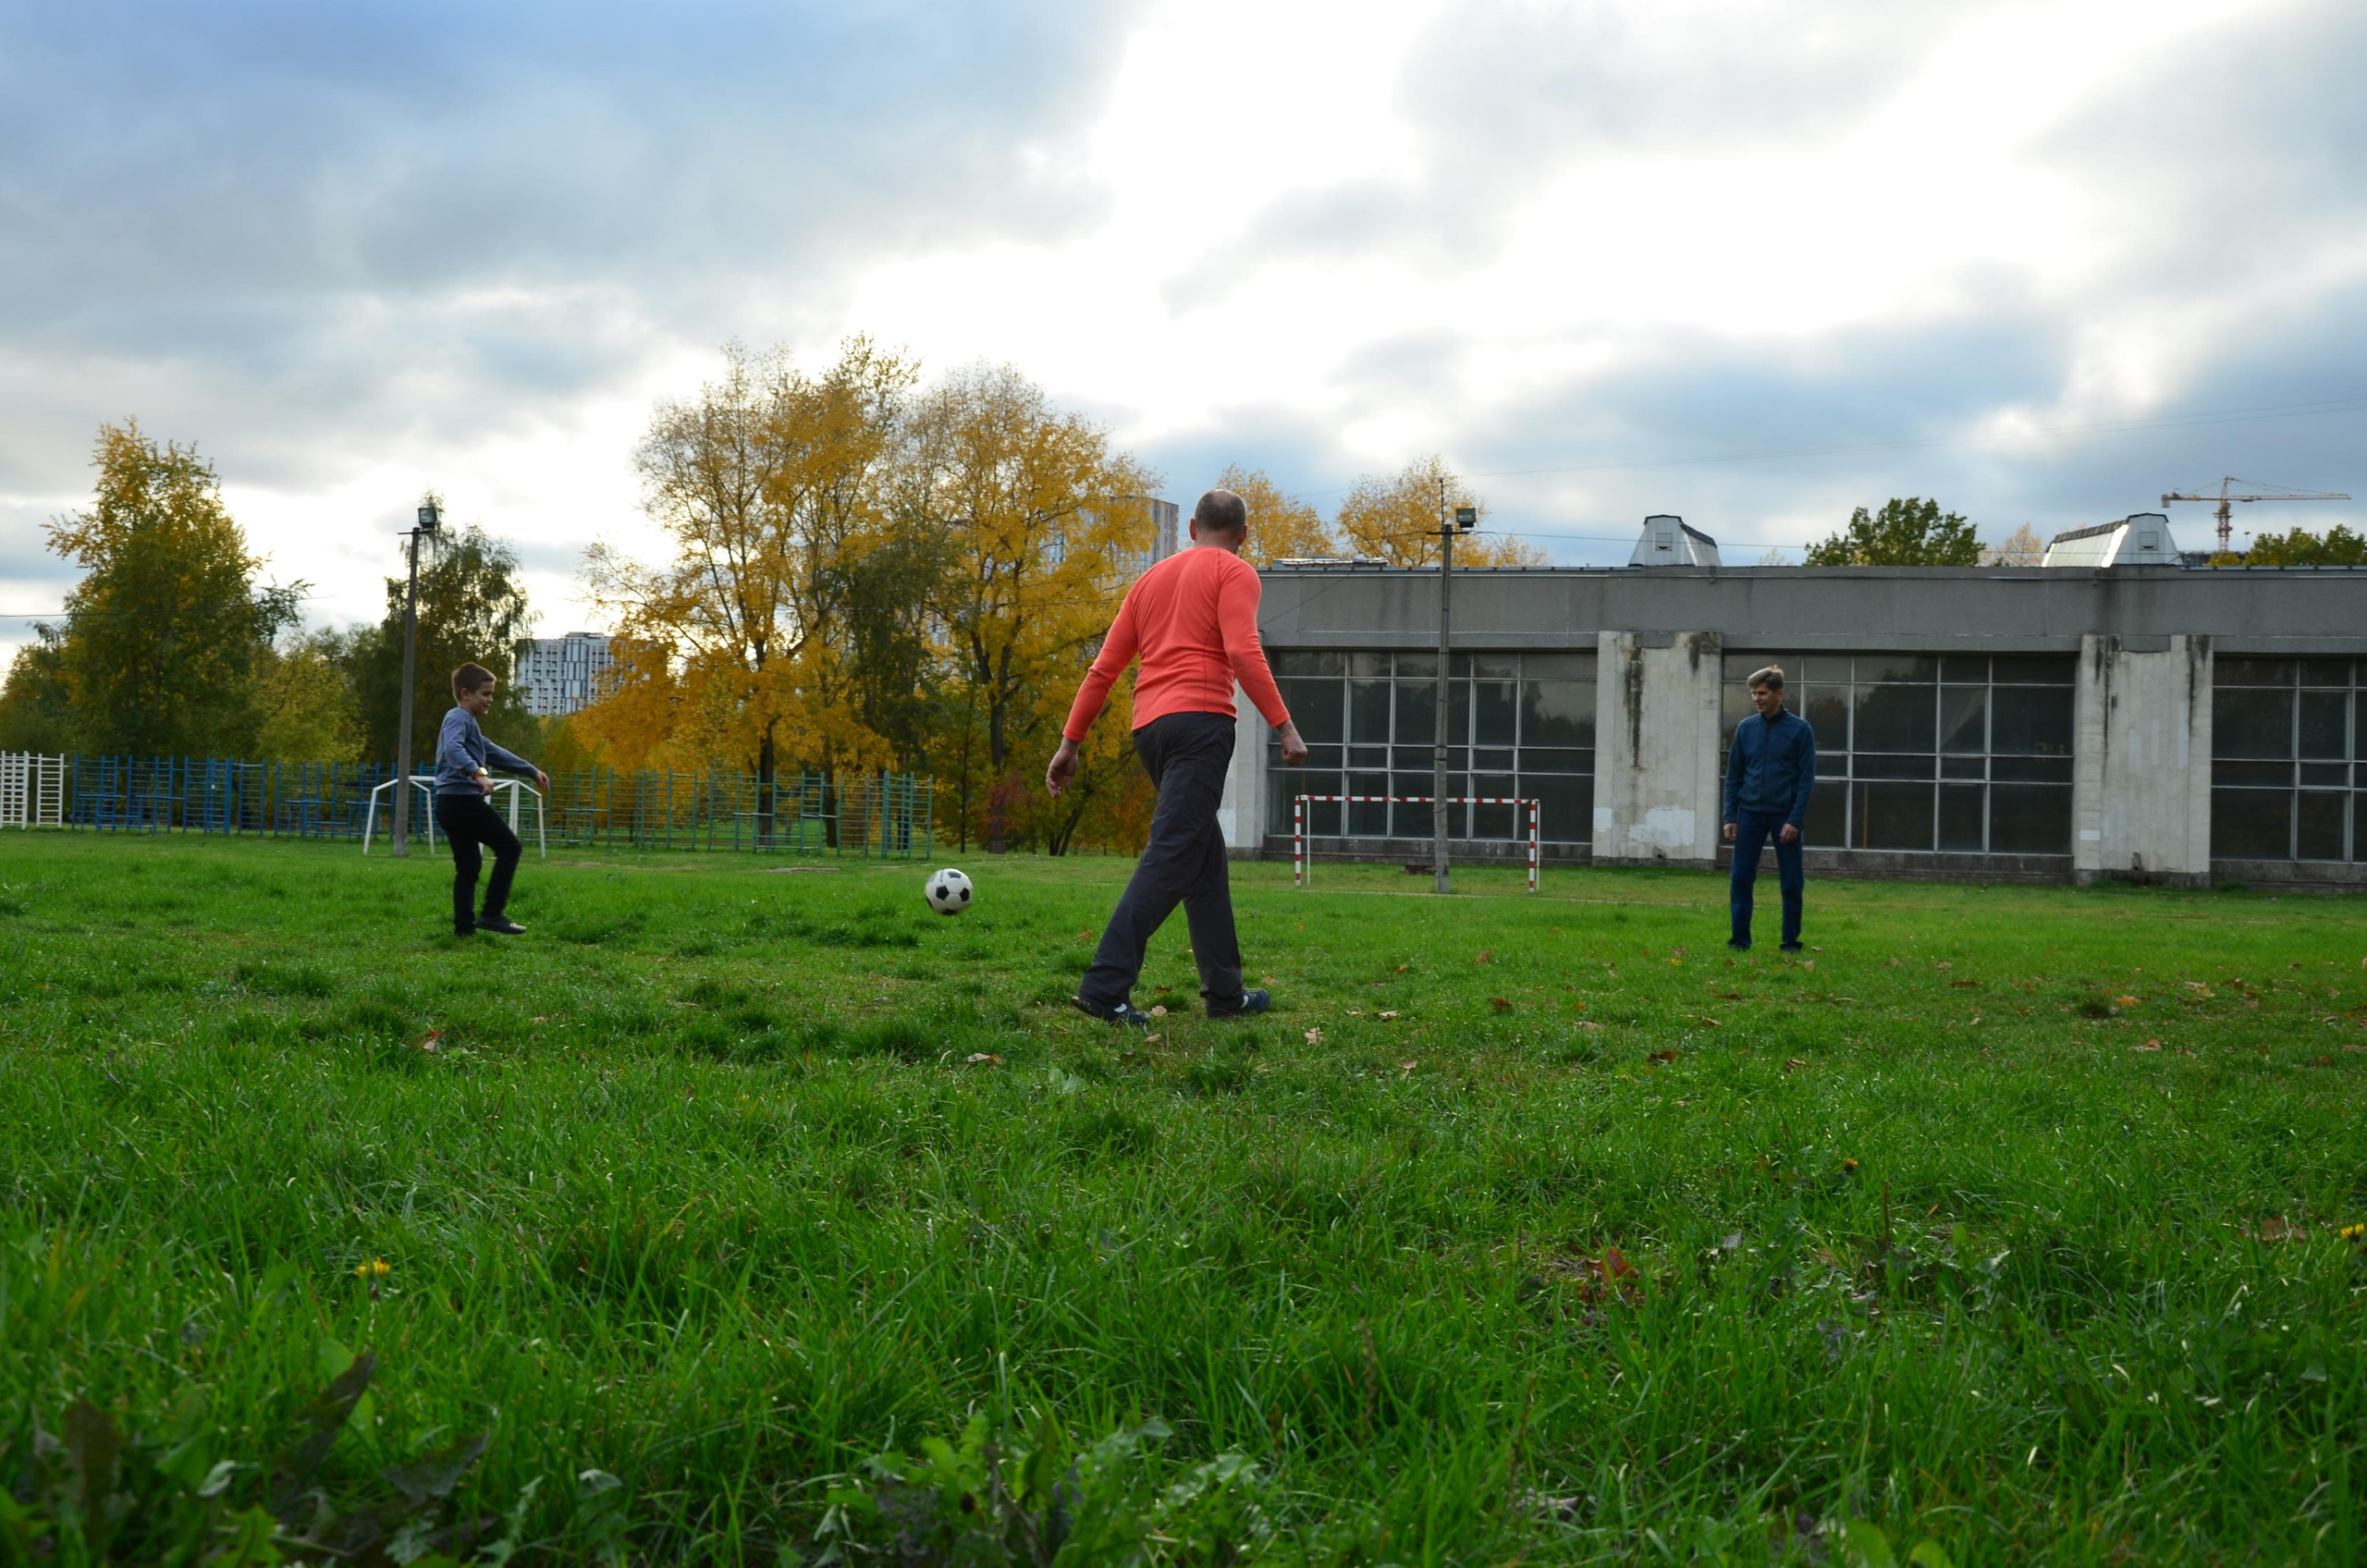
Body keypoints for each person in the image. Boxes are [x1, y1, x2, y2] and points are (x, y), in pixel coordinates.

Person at [1047, 488, 1309, 1024]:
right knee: (1172, 853)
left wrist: (1070, 743)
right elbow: (1242, 650)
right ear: (1242, 535)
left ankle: (1226, 995)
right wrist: (1284, 727)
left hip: (1151, 732)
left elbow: (1103, 670)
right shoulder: (1235, 572)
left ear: (1192, 528)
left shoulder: (1148, 581)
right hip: (1202, 727)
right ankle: (1104, 988)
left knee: (1202, 859)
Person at [434, 663, 548, 937]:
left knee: (469, 866)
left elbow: (493, 751)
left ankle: (464, 930)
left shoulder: (468, 723)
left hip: (449, 804)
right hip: (462, 802)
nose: (490, 699)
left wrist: (530, 769)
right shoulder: (457, 717)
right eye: (485, 694)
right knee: (510, 847)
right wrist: (478, 774)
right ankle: (492, 914)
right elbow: (453, 748)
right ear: (465, 693)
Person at [1722, 664, 1816, 952]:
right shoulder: (1746, 729)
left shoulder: (1800, 730)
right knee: (1740, 878)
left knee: (1790, 883)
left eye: (1762, 693)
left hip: (1784, 818)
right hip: (1749, 815)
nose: (1757, 699)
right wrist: (1730, 816)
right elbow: (1734, 775)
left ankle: (1790, 942)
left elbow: (1805, 780)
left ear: (1779, 694)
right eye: (1753, 693)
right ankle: (1739, 941)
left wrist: (1795, 820)